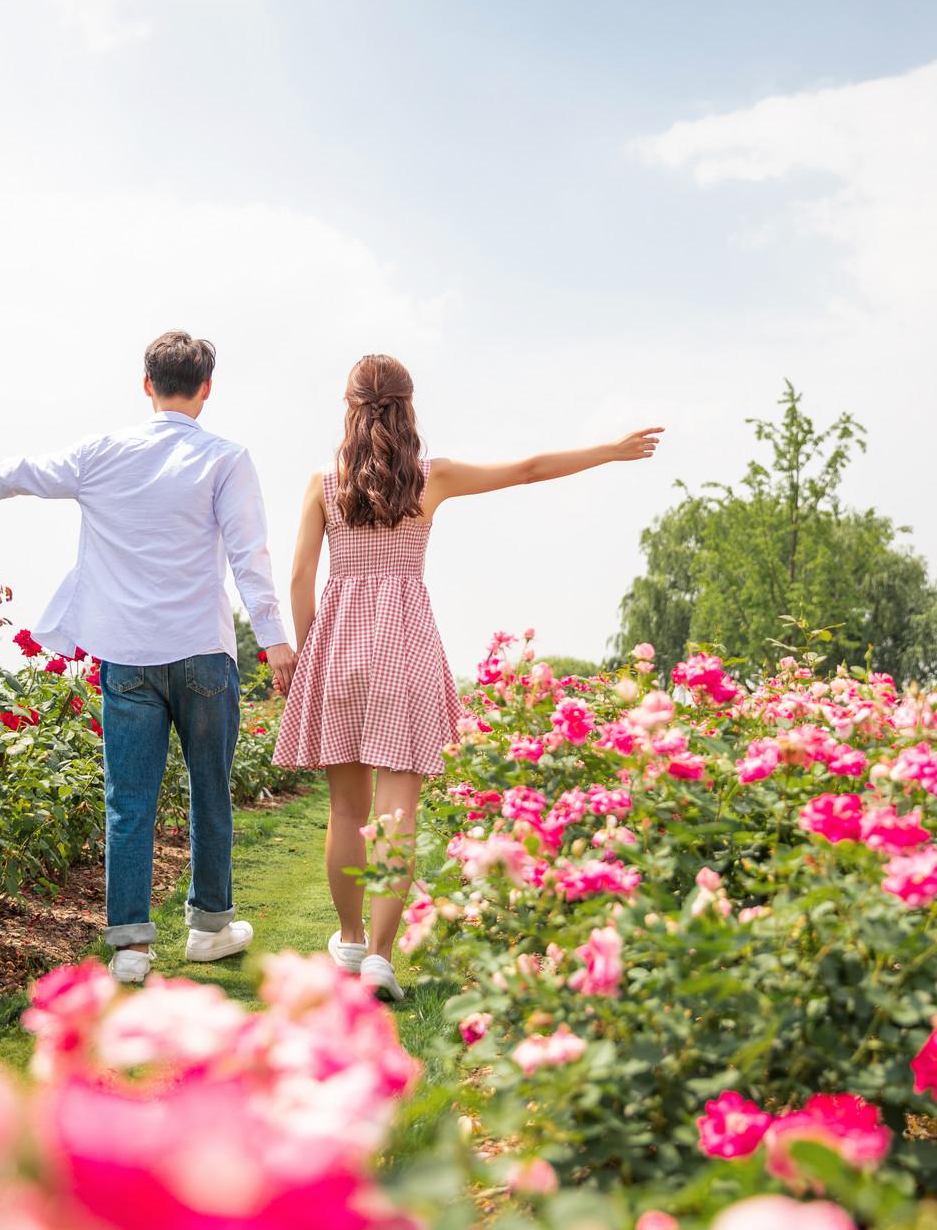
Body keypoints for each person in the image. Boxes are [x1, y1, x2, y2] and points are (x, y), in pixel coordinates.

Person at [0, 331, 296, 985]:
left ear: (146, 384)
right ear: (206, 388)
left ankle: (131, 950)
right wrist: (275, 640)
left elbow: (13, 474)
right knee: (209, 793)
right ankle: (209, 931)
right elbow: (251, 557)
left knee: (128, 802)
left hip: (127, 656)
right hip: (201, 652)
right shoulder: (227, 458)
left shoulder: (102, 454)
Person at [272, 353, 662, 999]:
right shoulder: (432, 478)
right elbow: (530, 470)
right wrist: (609, 451)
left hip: (338, 648)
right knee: (397, 815)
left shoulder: (324, 483)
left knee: (346, 807)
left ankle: (345, 940)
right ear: (408, 404)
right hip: (405, 648)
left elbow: (298, 579)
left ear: (348, 405)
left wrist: (309, 651)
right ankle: (378, 956)